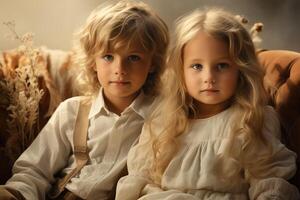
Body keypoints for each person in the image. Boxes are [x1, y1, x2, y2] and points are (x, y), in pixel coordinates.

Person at [115, 8, 300, 200]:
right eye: (197, 66)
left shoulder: (251, 120)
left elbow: (268, 184)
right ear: (181, 70)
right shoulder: (163, 121)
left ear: (240, 69)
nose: (209, 78)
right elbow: (142, 180)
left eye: (221, 66)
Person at [0, 0, 169, 199]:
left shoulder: (164, 117)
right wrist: (17, 193)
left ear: (153, 64)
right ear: (92, 62)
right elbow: (35, 170)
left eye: (133, 57)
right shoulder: (71, 111)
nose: (120, 69)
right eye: (108, 56)